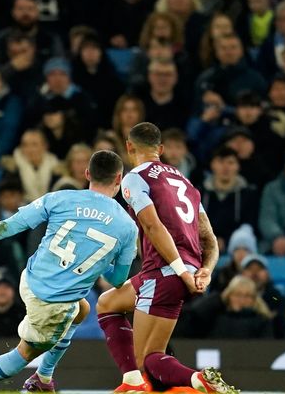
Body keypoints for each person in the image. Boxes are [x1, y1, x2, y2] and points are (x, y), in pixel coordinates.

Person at [0, 150, 138, 392]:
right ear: (119, 179)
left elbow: (8, 226)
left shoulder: (59, 198)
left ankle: (43, 379)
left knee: (82, 308)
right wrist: (102, 261)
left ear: (87, 174)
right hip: (53, 302)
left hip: (31, 279)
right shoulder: (127, 226)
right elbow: (118, 281)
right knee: (25, 353)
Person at [90, 122, 237, 393]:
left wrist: (180, 270)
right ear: (161, 149)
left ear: (129, 147)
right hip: (182, 273)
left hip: (165, 271)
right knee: (108, 302)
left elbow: (152, 226)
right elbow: (210, 240)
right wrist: (206, 270)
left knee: (147, 360)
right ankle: (132, 381)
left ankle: (198, 379)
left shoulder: (135, 178)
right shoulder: (186, 183)